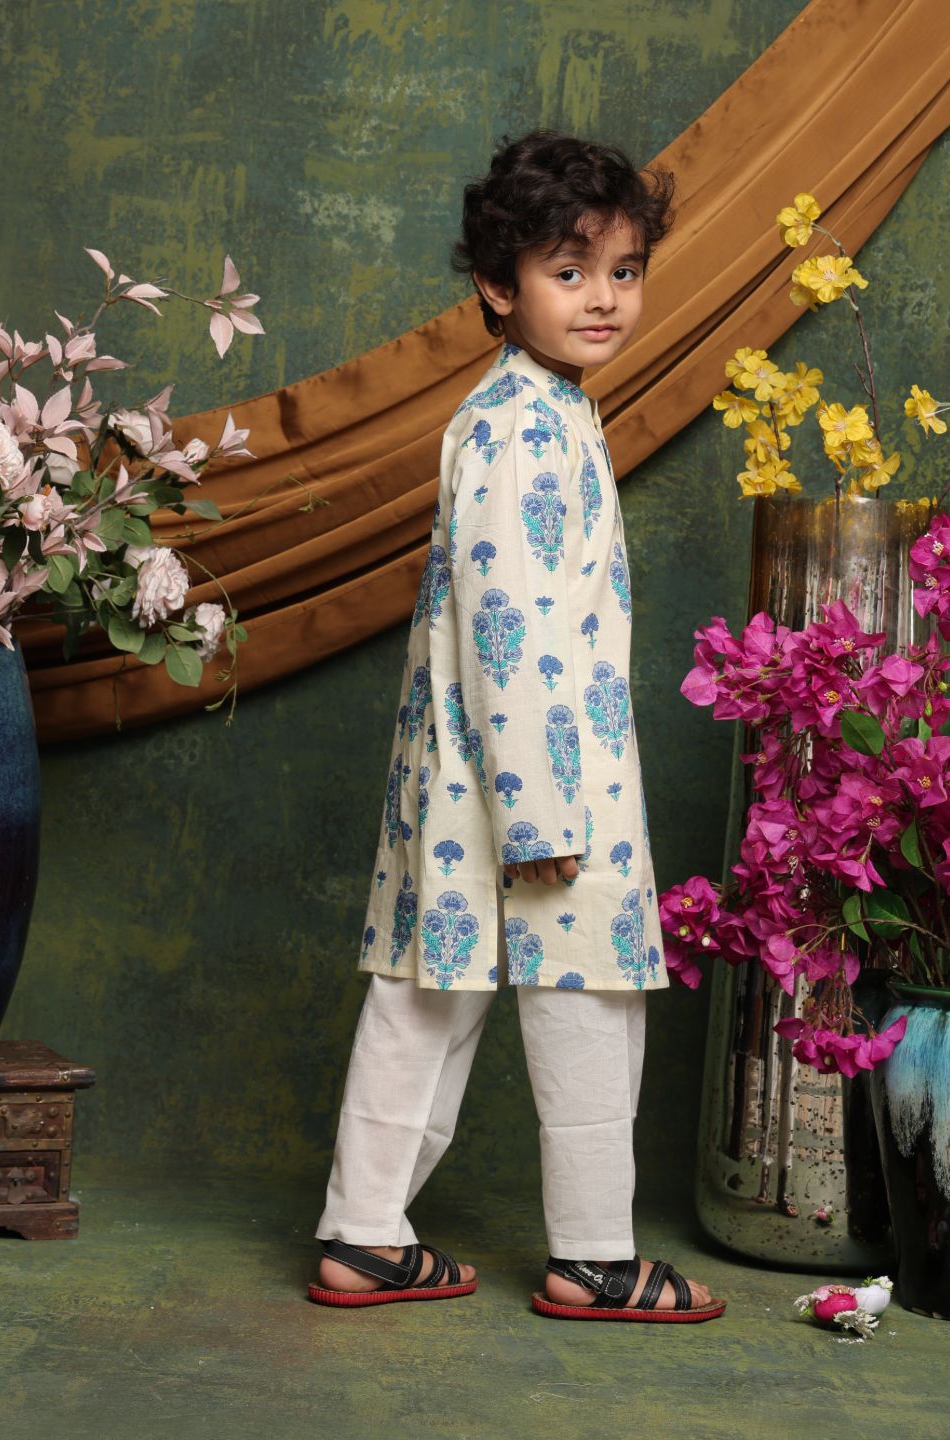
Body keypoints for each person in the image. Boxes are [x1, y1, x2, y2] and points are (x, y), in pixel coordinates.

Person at [308, 131, 725, 1321]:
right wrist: (539, 813)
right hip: (538, 779)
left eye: (625, 271)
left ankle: (364, 1233)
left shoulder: (539, 410)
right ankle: (593, 1254)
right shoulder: (522, 430)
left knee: (426, 994)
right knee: (585, 999)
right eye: (568, 271)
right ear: (498, 286)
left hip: (467, 775)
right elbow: (507, 625)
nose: (604, 299)